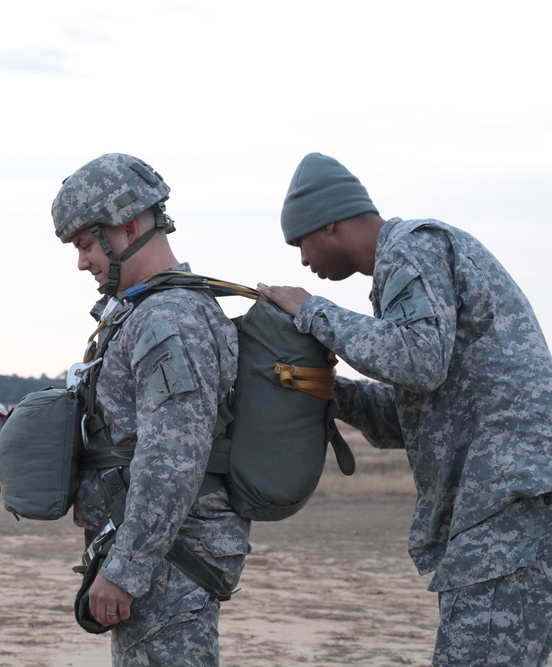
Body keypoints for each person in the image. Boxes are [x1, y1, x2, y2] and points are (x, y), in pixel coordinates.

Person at [258, 152, 552, 667]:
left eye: (300, 241)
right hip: (506, 507)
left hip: (507, 506)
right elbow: (410, 419)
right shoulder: (408, 275)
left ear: (330, 222)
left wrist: (311, 309)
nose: (302, 260)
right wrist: (326, 388)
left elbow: (418, 362)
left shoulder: (411, 249)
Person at [50, 153, 250, 665]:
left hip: (169, 564)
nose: (82, 262)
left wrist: (128, 567)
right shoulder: (144, 312)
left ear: (129, 226)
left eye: (88, 244)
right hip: (162, 557)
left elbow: (172, 455)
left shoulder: (168, 319)